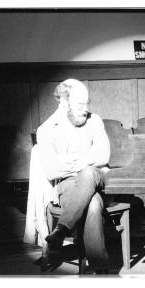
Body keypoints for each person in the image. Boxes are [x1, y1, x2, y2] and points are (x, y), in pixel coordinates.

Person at [31, 78, 111, 272]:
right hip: (68, 186)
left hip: (97, 178)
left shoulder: (95, 120)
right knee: (92, 205)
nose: (85, 109)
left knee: (88, 172)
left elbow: (104, 156)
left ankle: (63, 228)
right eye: (80, 104)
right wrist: (87, 160)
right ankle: (100, 270)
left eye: (87, 103)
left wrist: (76, 163)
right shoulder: (47, 129)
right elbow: (52, 171)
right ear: (64, 103)